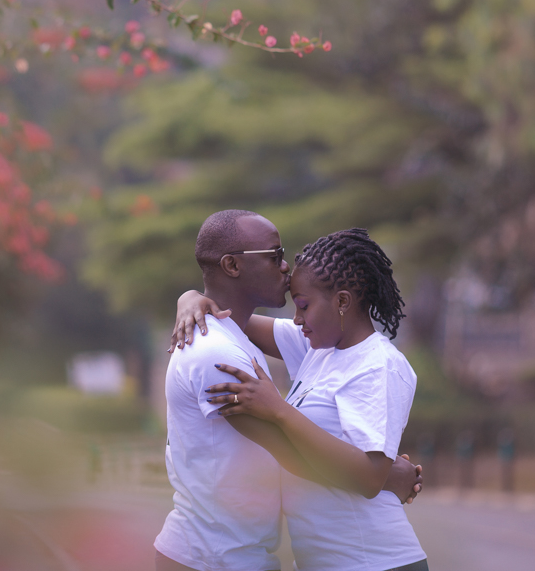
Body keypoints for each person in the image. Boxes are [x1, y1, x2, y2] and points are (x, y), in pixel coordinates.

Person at [156, 213, 422, 571]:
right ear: (232, 264)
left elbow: (346, 468)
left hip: (371, 560)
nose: (283, 266)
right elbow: (288, 453)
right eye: (273, 255)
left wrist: (280, 409)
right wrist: (189, 298)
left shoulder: (372, 361)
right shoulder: (313, 346)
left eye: (305, 305)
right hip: (235, 557)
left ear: (342, 302)